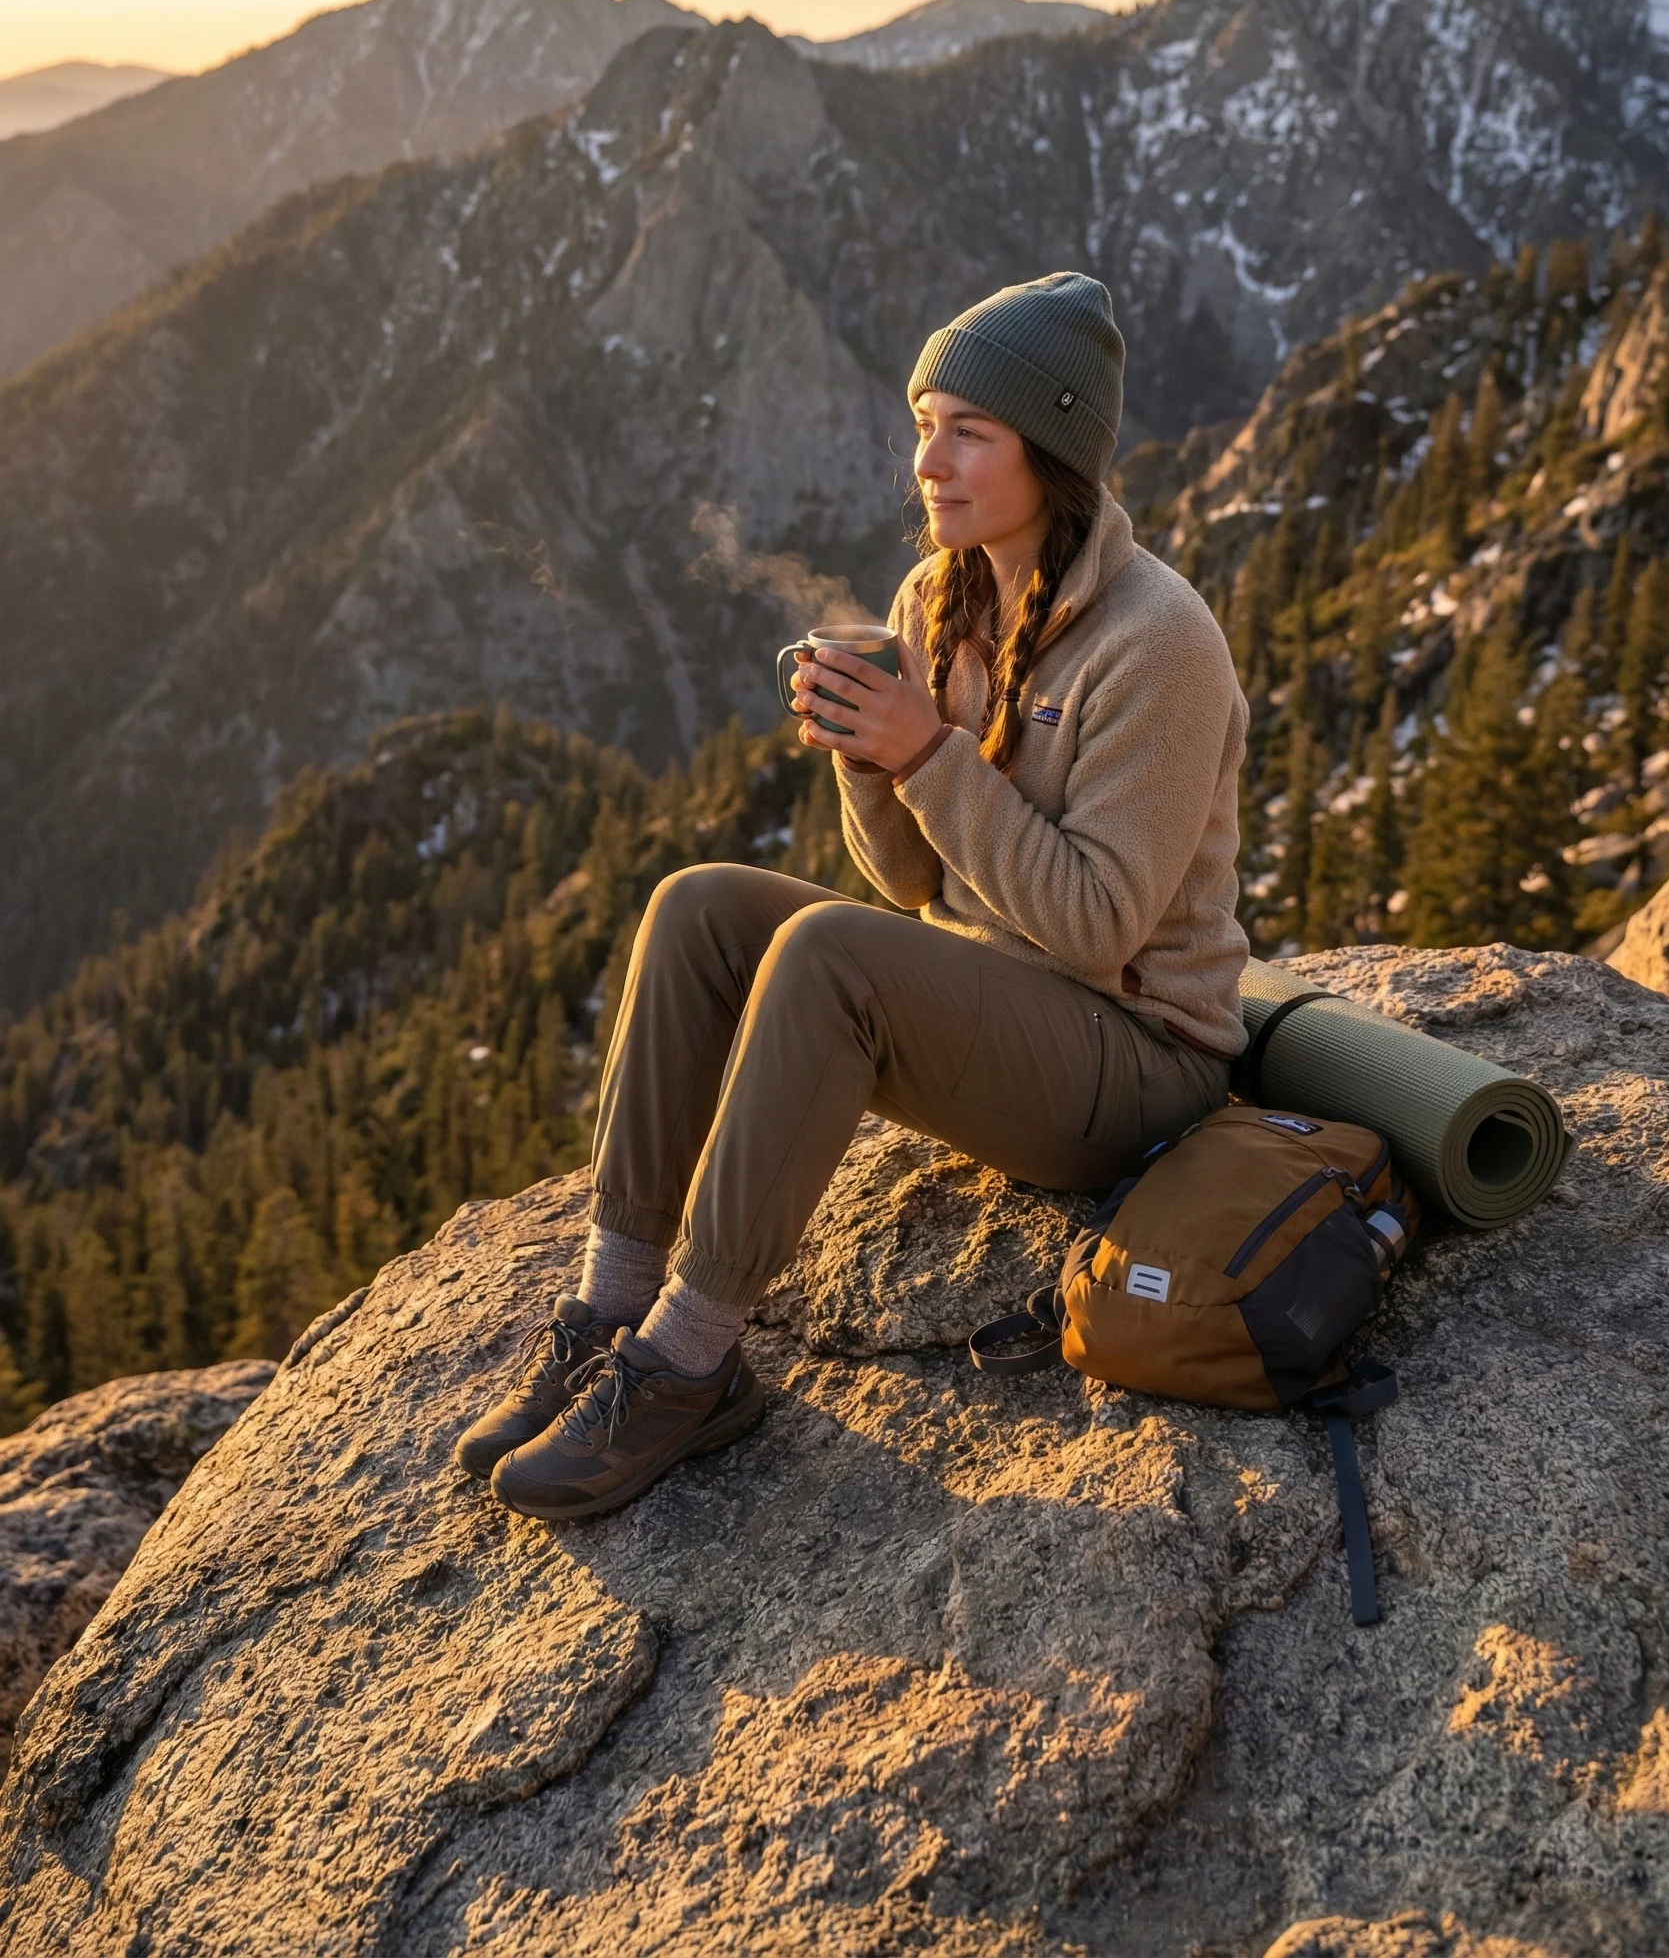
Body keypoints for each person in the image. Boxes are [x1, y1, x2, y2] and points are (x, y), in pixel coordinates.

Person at [455, 270, 1250, 1521]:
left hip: (1138, 1064)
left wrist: (927, 751)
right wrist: (868, 757)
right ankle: (611, 1308)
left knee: (829, 950)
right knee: (698, 903)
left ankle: (689, 1366)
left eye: (968, 432)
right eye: (924, 423)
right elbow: (913, 883)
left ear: (1051, 452)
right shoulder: (939, 596)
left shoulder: (1158, 641)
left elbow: (1099, 927)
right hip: (1000, 1012)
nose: (927, 462)